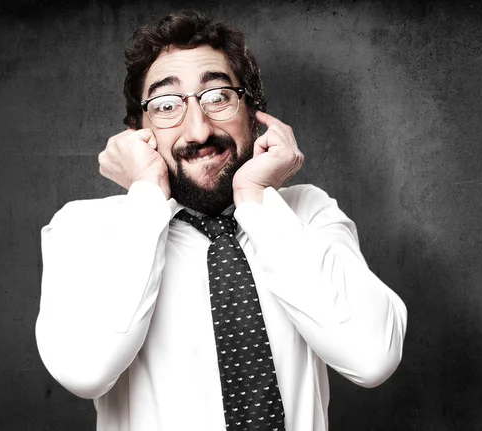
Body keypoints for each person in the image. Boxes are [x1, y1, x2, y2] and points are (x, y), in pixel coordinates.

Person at [35, 11, 407, 431]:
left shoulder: (306, 213)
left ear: (253, 112)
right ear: (138, 132)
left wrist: (254, 198)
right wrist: (147, 191)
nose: (198, 130)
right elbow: (85, 370)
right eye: (166, 105)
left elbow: (372, 358)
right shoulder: (83, 228)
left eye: (217, 97)